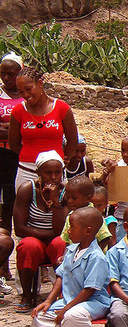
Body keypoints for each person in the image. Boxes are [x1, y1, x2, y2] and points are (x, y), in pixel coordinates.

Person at [31, 207, 110, 327]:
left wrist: (67, 308)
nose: (68, 231)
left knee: (72, 316)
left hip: (93, 302)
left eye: (72, 227)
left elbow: (89, 290)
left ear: (88, 231)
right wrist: (49, 301)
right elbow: (61, 276)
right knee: (40, 315)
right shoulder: (71, 250)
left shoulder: (97, 257)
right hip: (70, 300)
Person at [13, 150, 67, 313]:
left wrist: (56, 201)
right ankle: (27, 295)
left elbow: (61, 230)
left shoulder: (67, 191)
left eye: (57, 172)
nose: (53, 177)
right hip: (33, 239)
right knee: (28, 245)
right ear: (38, 173)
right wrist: (48, 235)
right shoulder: (27, 190)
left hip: (53, 239)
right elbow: (20, 228)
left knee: (61, 243)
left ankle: (62, 293)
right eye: (48, 172)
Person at [8, 66, 78, 190]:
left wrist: (61, 159)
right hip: (27, 171)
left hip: (55, 173)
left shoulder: (62, 108)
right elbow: (14, 144)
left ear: (40, 83)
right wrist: (31, 157)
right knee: (25, 207)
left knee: (57, 207)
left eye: (28, 89)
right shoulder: (18, 111)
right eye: (21, 92)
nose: (25, 95)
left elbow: (73, 141)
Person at [0, 53, 24, 282]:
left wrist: (10, 129)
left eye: (11, 73)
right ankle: (4, 263)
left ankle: (26, 265)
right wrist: (14, 129)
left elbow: (25, 127)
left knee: (20, 208)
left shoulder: (27, 96)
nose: (7, 77)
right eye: (3, 73)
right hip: (2, 158)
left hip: (21, 158)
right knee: (3, 211)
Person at [60, 176, 113, 251]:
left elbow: (105, 238)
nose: (69, 201)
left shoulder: (94, 215)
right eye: (68, 197)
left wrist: (90, 255)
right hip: (75, 257)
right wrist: (66, 256)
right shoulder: (70, 215)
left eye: (74, 198)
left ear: (88, 198)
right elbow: (67, 241)